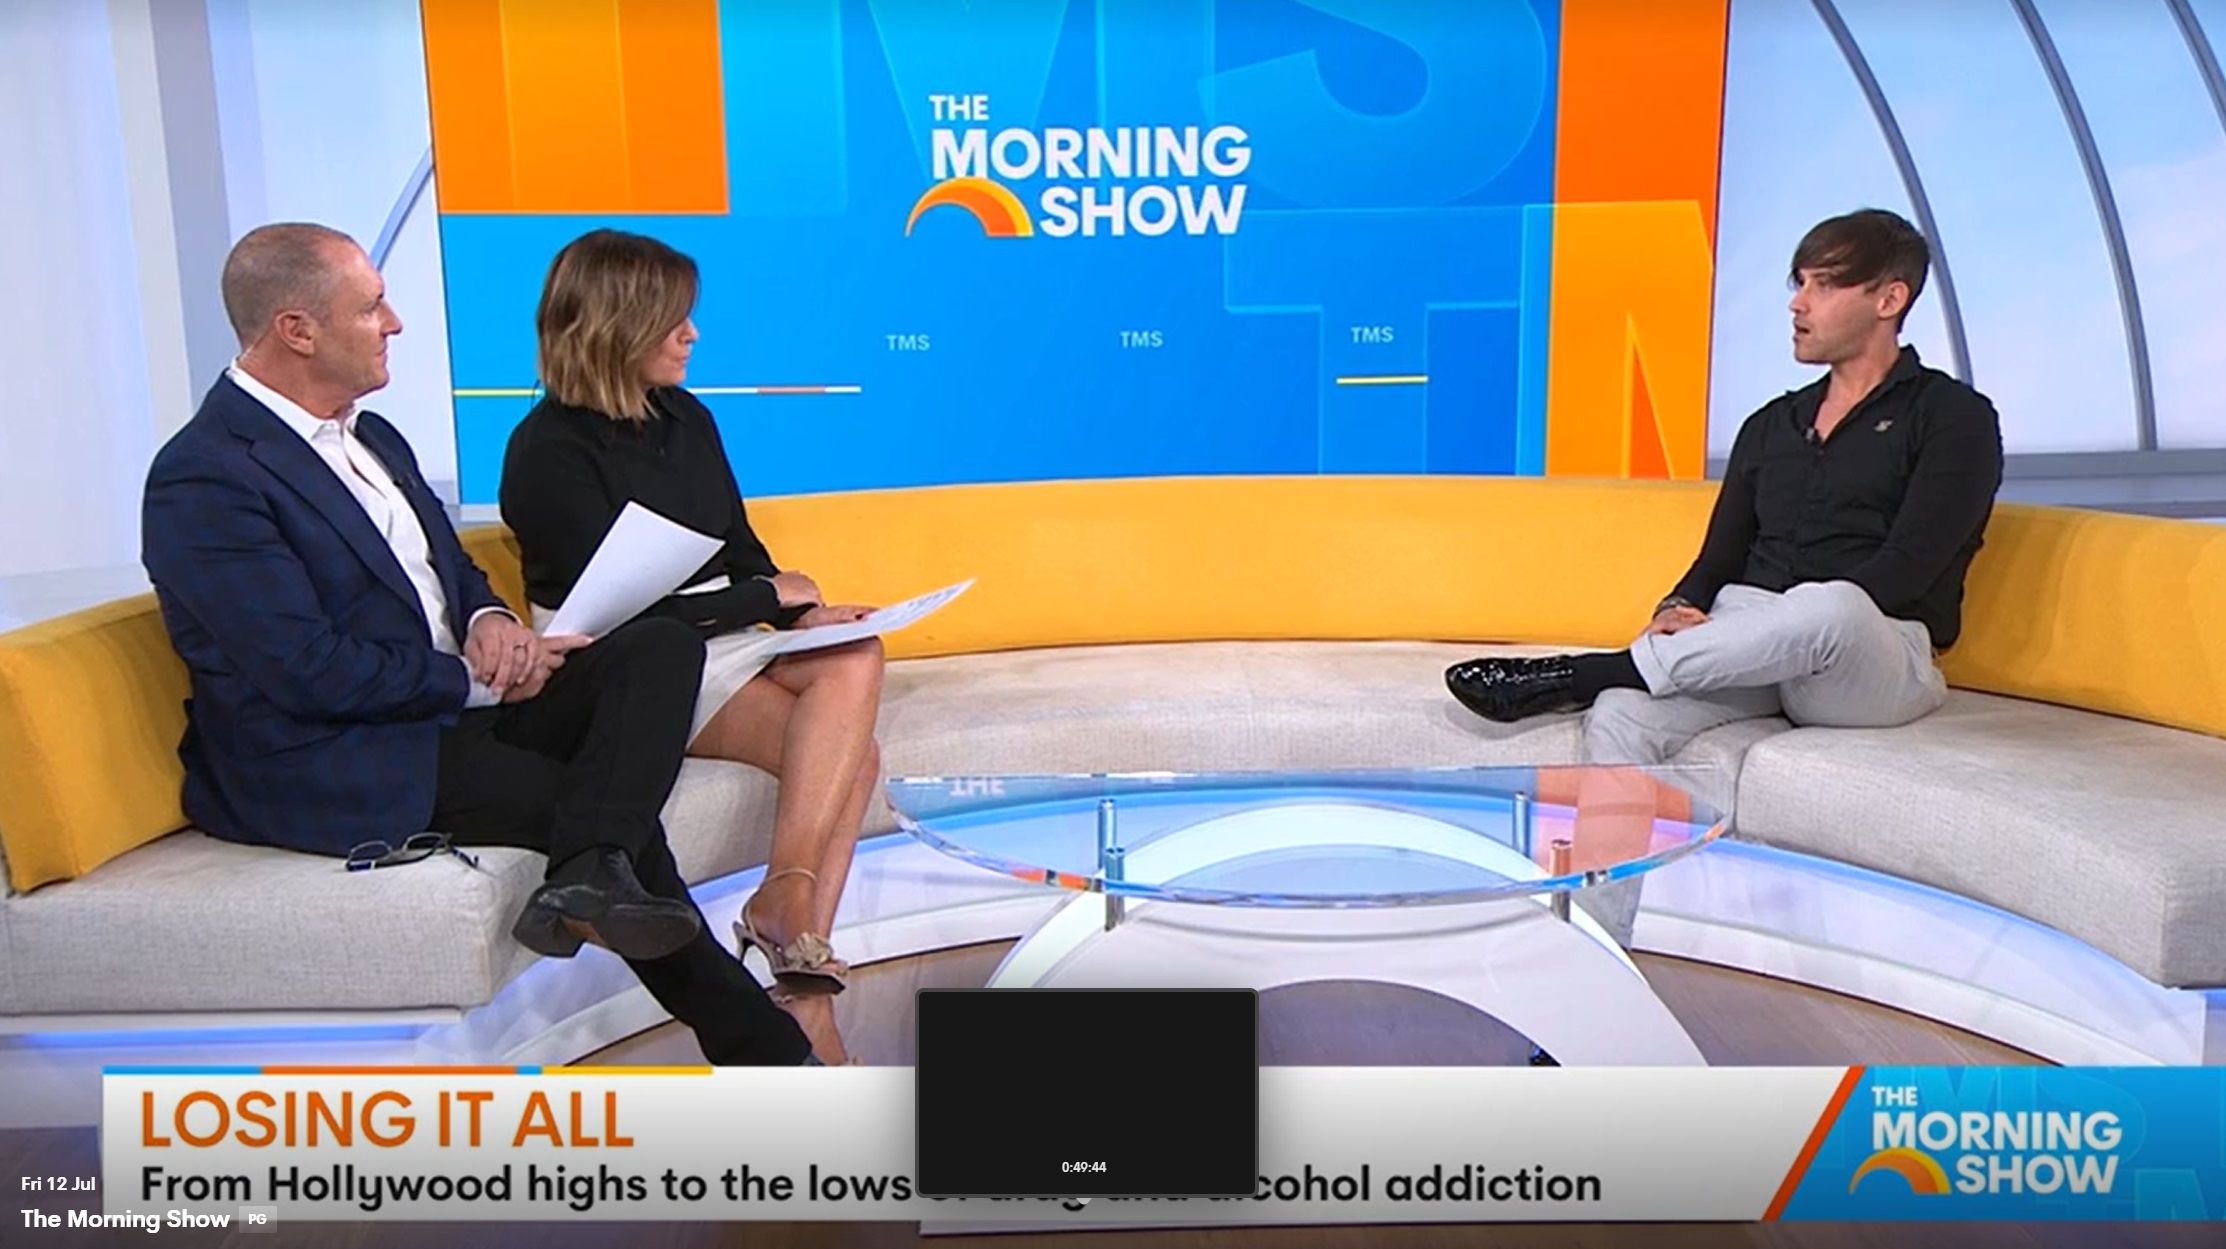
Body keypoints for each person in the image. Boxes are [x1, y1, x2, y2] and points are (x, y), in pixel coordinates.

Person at [142, 222, 813, 1066]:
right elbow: (306, 670)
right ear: (297, 330)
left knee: (657, 649)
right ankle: (777, 1057)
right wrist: (475, 680)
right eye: (372, 307)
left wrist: (491, 620)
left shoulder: (374, 437)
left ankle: (590, 873)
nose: (394, 323)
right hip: (339, 750)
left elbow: (450, 571)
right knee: (590, 808)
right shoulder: (206, 475)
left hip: (450, 706)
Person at [499, 229, 885, 1066]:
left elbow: (740, 550)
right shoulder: (545, 450)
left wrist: (799, 617)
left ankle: (786, 902)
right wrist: (767, 599)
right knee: (854, 756)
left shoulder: (687, 417)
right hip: (627, 664)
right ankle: (802, 967)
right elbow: (622, 616)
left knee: (856, 653)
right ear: (618, 325)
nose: (691, 334)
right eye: (674, 319)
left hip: (717, 635)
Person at [1447, 208, 2003, 764]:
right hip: (1748, 638)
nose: (1798, 304)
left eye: (1825, 285)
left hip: (1868, 650)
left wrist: (1776, 626)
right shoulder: (1771, 424)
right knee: (1621, 712)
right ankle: (1629, 812)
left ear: (1889, 300)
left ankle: (1582, 674)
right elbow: (1720, 558)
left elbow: (1906, 570)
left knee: (1832, 605)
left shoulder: (1954, 417)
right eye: (1799, 283)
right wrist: (1678, 606)